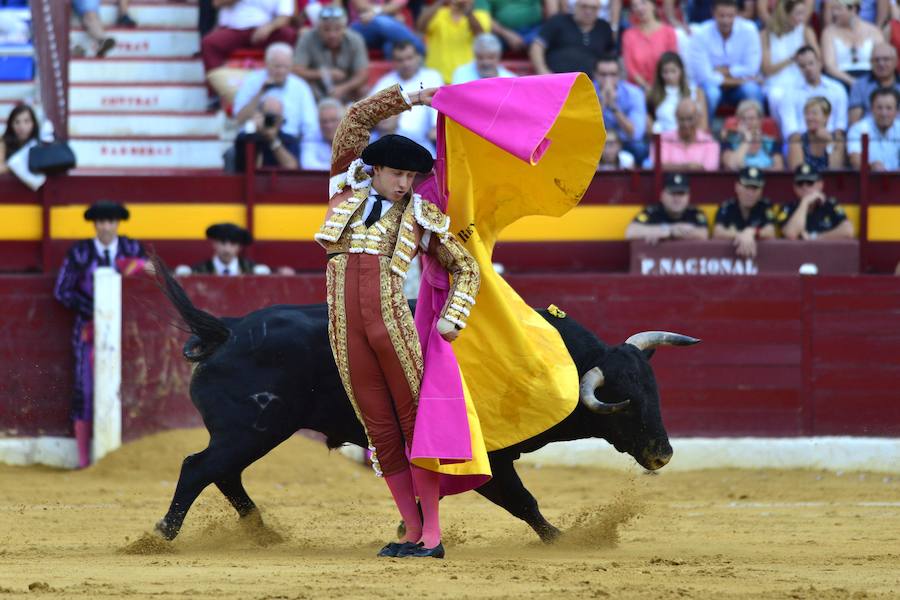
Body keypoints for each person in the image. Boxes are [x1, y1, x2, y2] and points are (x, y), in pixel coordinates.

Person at [315, 83, 480, 559]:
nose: (405, 184)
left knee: (414, 425)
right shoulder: (344, 189)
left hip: (392, 327)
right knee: (378, 430)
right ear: (376, 170)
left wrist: (454, 318)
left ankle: (433, 535)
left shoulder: (422, 215)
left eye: (411, 176)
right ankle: (411, 531)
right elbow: (354, 120)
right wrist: (412, 97)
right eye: (397, 174)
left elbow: (465, 267)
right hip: (345, 332)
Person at [53, 201, 148, 468]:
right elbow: (62, 291)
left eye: (111, 221)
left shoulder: (132, 248)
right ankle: (85, 461)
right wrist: (92, 309)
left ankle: (125, 458)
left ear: (118, 224)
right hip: (87, 330)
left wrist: (137, 265)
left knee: (131, 383)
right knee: (85, 388)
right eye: (101, 222)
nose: (106, 227)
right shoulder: (80, 252)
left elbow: (149, 276)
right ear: (95, 225)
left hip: (127, 330)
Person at [200, 0, 297, 99]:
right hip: (234, 29)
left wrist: (269, 27)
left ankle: (285, 85)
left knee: (289, 34)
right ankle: (216, 93)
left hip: (265, 30)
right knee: (209, 43)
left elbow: (285, 16)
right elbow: (217, 3)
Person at [687, 0, 765, 121]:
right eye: (722, 16)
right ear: (713, 13)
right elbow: (704, 76)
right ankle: (704, 133)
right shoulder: (700, 34)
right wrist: (740, 80)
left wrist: (723, 71)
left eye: (730, 16)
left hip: (736, 87)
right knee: (712, 94)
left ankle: (755, 133)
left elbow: (752, 68)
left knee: (752, 90)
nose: (726, 21)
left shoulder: (749, 30)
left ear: (737, 14)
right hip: (712, 86)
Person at [232, 42, 318, 141]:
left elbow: (310, 125)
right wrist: (261, 92)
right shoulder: (252, 81)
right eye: (277, 66)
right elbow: (239, 119)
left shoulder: (300, 86)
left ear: (291, 66)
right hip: (257, 138)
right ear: (267, 64)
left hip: (289, 141)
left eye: (285, 67)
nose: (281, 71)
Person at [370, 40, 444, 154]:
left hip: (422, 143)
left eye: (409, 58)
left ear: (418, 57)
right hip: (388, 143)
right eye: (400, 60)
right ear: (393, 62)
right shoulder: (385, 82)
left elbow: (438, 109)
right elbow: (370, 112)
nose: (406, 64)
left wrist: (436, 127)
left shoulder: (432, 76)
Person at [293, 5, 370, 102]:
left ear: (344, 28)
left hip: (346, 89)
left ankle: (355, 115)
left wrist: (343, 88)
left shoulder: (355, 39)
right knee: (303, 84)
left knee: (363, 89)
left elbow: (363, 74)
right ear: (318, 28)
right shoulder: (307, 38)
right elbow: (296, 70)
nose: (332, 34)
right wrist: (324, 74)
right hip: (317, 88)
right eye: (326, 29)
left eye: (337, 29)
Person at [760, 0, 819, 119]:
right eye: (798, 14)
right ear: (785, 14)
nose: (802, 18)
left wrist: (807, 60)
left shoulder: (806, 31)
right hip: (776, 84)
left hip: (802, 80)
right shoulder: (766, 34)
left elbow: (818, 59)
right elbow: (767, 69)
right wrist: (792, 59)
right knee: (777, 96)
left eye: (803, 13)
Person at [775, 46, 848, 140]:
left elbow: (840, 126)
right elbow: (790, 130)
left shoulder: (837, 89)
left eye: (811, 63)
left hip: (830, 141)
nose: (808, 68)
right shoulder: (789, 93)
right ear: (798, 68)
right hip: (802, 144)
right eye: (802, 66)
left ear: (819, 63)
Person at [530, 0, 615, 75]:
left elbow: (610, 58)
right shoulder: (558, 21)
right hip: (557, 80)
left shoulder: (604, 28)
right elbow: (537, 47)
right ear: (575, 6)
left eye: (593, 8)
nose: (588, 11)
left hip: (590, 86)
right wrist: (543, 71)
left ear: (599, 10)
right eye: (584, 6)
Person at [418, 0, 491, 83]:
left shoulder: (481, 15)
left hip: (467, 79)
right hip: (436, 78)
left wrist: (468, 13)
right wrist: (441, 2)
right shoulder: (438, 13)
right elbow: (420, 27)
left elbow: (481, 37)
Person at [625, 172, 710, 242]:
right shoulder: (653, 211)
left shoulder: (695, 213)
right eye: (672, 193)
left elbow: (703, 234)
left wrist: (659, 232)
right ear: (662, 195)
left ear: (688, 196)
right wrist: (670, 230)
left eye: (681, 194)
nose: (677, 198)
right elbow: (630, 232)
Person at [594, 55, 648, 165]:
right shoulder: (586, 92)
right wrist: (602, 103)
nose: (607, 79)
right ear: (595, 75)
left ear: (619, 76)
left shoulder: (634, 93)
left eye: (612, 75)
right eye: (603, 75)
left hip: (624, 142)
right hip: (594, 142)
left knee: (640, 148)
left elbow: (636, 133)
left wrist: (614, 107)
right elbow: (585, 130)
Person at [712, 166, 777, 258]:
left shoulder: (765, 206)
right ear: (737, 187)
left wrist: (752, 232)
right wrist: (741, 235)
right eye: (746, 187)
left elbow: (771, 232)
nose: (750, 193)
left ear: (761, 190)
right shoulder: (727, 206)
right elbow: (717, 232)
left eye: (755, 188)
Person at [777, 163, 854, 239]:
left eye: (810, 183)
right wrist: (805, 202)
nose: (804, 187)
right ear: (794, 187)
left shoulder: (830, 205)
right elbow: (791, 234)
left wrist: (814, 237)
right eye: (800, 183)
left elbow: (848, 231)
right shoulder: (788, 207)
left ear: (820, 185)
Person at [821, 0, 883, 89]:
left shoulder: (873, 31)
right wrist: (852, 82)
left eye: (838, 9)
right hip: (840, 80)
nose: (834, 13)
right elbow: (829, 66)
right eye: (833, 9)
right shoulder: (828, 33)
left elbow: (881, 57)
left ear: (853, 9)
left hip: (870, 78)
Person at [621, 0, 678, 93]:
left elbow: (672, 62)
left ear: (654, 5)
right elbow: (630, 68)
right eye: (634, 6)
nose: (639, 8)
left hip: (664, 86)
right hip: (637, 89)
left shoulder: (669, 32)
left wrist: (658, 88)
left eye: (643, 3)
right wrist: (646, 87)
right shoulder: (628, 35)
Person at [646, 52, 709, 134]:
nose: (669, 76)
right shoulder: (652, 94)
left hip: (689, 140)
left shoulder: (696, 92)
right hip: (663, 138)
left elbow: (703, 125)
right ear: (660, 74)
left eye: (673, 71)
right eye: (665, 72)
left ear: (681, 71)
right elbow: (648, 121)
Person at [233, 96, 300, 170]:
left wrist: (273, 140)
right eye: (267, 116)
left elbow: (292, 168)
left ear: (281, 120)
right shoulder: (245, 137)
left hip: (278, 180)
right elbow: (248, 168)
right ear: (259, 115)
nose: (270, 121)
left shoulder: (289, 140)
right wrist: (253, 130)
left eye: (275, 117)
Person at [656, 97, 720, 171]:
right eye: (682, 119)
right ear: (676, 118)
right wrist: (687, 167)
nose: (686, 124)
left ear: (698, 118)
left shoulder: (710, 142)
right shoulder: (663, 140)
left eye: (690, 119)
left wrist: (673, 167)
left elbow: (710, 170)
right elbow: (658, 167)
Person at [721, 99, 785, 170]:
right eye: (743, 119)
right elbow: (732, 166)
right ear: (739, 121)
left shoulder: (771, 143)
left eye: (751, 118)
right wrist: (747, 139)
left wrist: (753, 171)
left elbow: (778, 168)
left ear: (760, 120)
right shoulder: (729, 142)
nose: (747, 122)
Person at [847, 86, 900, 170]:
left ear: (897, 111)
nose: (884, 113)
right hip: (870, 180)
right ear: (871, 109)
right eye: (879, 108)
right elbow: (855, 160)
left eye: (889, 108)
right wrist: (871, 167)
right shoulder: (857, 129)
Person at [347, 0, 425, 56]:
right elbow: (362, 7)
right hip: (360, 27)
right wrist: (387, 15)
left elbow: (395, 6)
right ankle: (420, 49)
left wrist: (376, 12)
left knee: (391, 45)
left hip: (384, 31)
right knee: (382, 21)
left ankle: (399, 78)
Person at [787, 96, 846, 170]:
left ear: (826, 117)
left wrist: (830, 142)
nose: (809, 118)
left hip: (829, 181)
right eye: (807, 113)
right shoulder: (797, 141)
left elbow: (835, 170)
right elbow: (798, 172)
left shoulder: (837, 140)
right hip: (806, 180)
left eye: (814, 113)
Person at [848, 43, 900, 125]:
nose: (881, 63)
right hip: (869, 134)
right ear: (870, 62)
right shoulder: (859, 85)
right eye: (876, 60)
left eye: (886, 59)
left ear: (896, 61)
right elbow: (854, 122)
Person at [191, 223, 259, 275]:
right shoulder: (198, 271)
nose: (227, 249)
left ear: (240, 247)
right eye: (222, 243)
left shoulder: (252, 271)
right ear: (214, 244)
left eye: (233, 243)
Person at [451, 33, 517, 83]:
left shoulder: (510, 80)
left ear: (498, 57)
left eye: (490, 57)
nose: (485, 62)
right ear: (475, 56)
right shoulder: (461, 74)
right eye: (480, 57)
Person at [301, 98, 344, 171]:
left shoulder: (353, 137)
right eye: (324, 121)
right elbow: (307, 165)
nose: (329, 126)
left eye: (333, 120)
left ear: (342, 121)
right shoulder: (311, 137)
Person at [0, 104, 39, 175]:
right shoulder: (3, 142)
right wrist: (15, 164)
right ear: (11, 124)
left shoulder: (41, 141)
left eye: (27, 121)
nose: (22, 127)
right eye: (17, 122)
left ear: (34, 123)